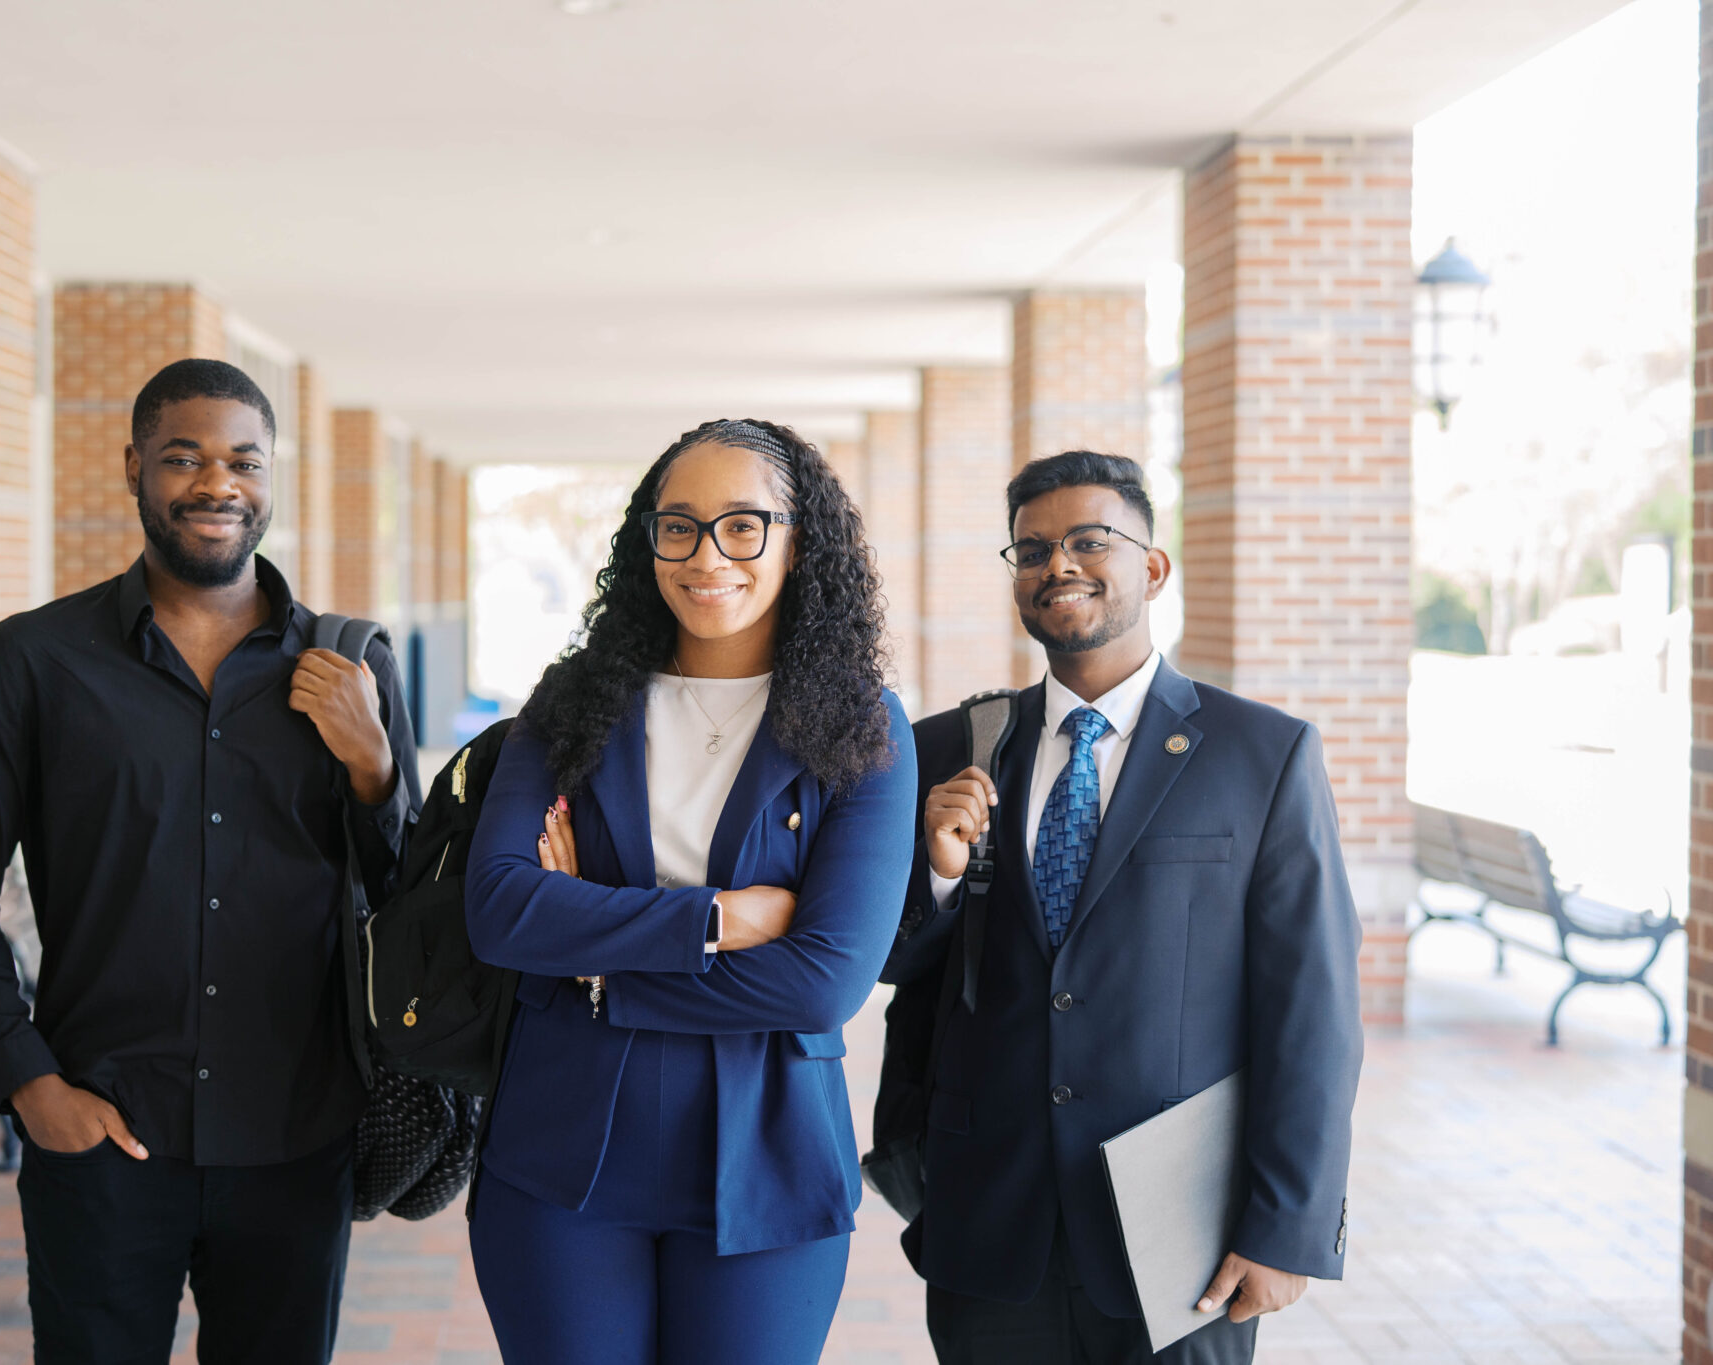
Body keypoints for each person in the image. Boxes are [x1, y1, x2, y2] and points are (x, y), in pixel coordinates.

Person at [0, 358, 421, 1365]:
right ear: (135, 466)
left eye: (243, 460)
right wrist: (28, 1083)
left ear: (270, 480)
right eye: (184, 457)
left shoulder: (354, 665)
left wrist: (372, 768)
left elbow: (405, 900)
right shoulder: (33, 663)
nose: (215, 484)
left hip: (295, 1135)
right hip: (101, 1133)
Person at [882, 450, 1362, 1365]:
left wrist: (1287, 1224)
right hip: (990, 1221)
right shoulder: (948, 745)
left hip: (1185, 1231)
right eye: (1031, 549)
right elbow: (892, 964)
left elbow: (1315, 1010)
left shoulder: (1263, 755)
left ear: (1151, 566)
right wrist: (937, 875)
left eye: (1088, 540)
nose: (1057, 563)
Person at [463, 418, 917, 1365]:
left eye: (744, 525)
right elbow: (502, 908)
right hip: (560, 1157)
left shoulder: (865, 725)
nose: (707, 554)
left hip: (770, 1165)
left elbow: (823, 981)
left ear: (801, 540)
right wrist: (719, 917)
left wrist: (596, 969)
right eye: (679, 525)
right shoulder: (574, 699)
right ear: (648, 540)